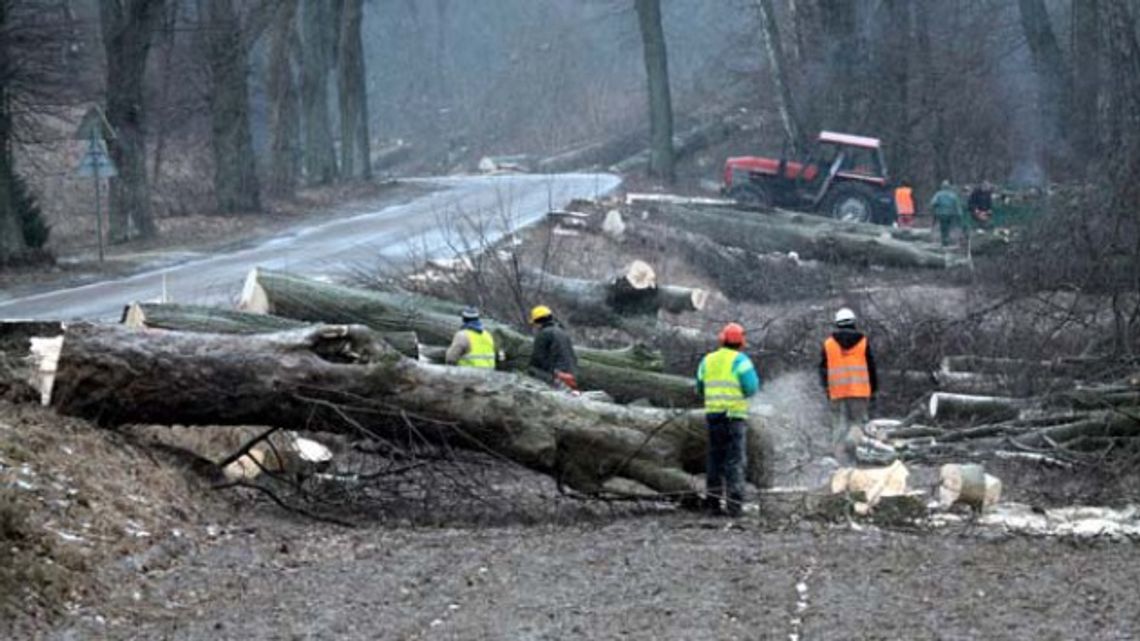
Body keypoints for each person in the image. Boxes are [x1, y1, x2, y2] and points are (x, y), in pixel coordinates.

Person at [695, 322, 760, 517]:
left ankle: (713, 504)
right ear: (741, 342)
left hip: (713, 416)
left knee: (714, 460)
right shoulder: (741, 361)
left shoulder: (707, 360)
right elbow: (751, 388)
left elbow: (699, 387)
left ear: (722, 340)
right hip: (734, 417)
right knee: (735, 461)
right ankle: (734, 505)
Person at [818, 308, 878, 466]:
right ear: (853, 323)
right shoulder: (863, 342)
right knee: (858, 423)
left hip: (837, 392)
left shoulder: (828, 344)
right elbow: (871, 367)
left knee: (838, 425)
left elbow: (822, 370)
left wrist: (827, 388)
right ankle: (853, 449)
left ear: (837, 324)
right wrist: (874, 389)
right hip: (860, 391)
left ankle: (839, 460)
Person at [527, 305, 579, 391]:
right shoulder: (562, 332)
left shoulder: (543, 334)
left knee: (531, 370)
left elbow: (538, 359)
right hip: (572, 374)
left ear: (538, 322)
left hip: (558, 376)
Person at [929, 180, 965, 247]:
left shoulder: (938, 194)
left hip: (941, 213)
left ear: (942, 186)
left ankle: (944, 241)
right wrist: (959, 213)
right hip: (951, 214)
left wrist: (936, 208)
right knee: (949, 227)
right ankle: (949, 241)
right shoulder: (953, 195)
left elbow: (933, 203)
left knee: (943, 228)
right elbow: (957, 205)